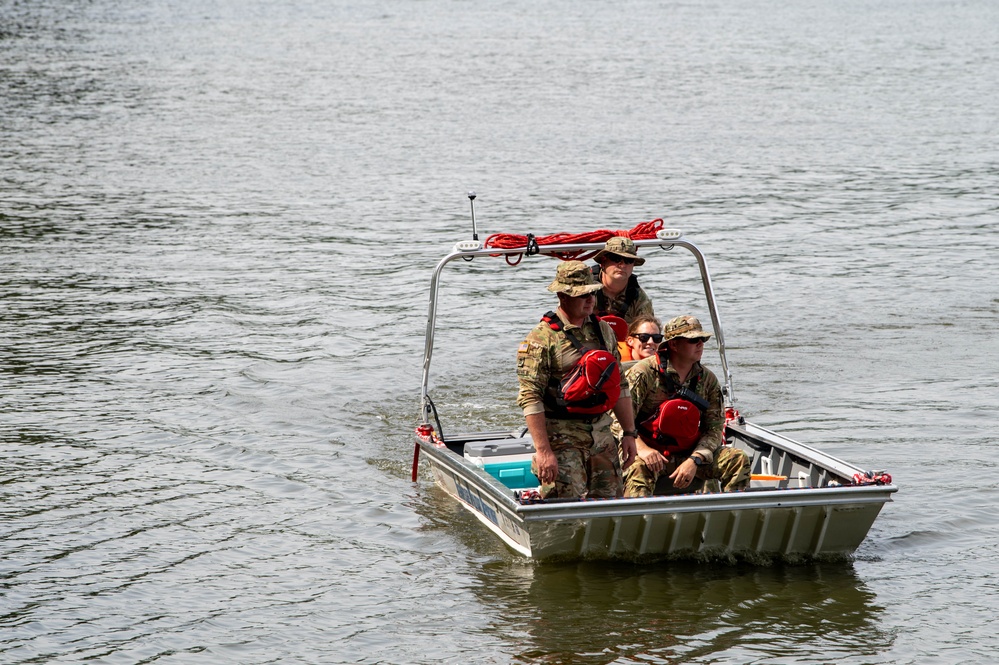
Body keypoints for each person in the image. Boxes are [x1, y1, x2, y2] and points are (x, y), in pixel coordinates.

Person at [516, 261, 639, 500]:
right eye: (581, 294)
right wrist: (543, 451)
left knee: (611, 504)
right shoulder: (541, 339)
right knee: (565, 505)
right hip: (562, 438)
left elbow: (620, 384)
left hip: (602, 435)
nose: (590, 299)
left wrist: (628, 433)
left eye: (592, 292)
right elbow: (531, 397)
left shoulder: (604, 330)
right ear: (563, 295)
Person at [614, 314, 750, 497]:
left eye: (702, 339)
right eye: (693, 340)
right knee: (636, 468)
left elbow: (714, 429)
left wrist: (695, 459)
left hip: (689, 452)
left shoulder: (707, 380)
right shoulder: (644, 373)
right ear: (674, 344)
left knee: (737, 459)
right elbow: (618, 421)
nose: (700, 344)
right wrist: (645, 451)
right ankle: (640, 521)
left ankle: (731, 515)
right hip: (649, 453)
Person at [590, 237, 655, 324]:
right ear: (603, 262)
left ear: (633, 265)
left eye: (628, 260)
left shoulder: (639, 299)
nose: (622, 265)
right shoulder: (586, 290)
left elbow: (648, 330)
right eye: (616, 258)